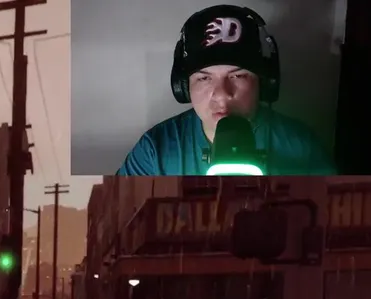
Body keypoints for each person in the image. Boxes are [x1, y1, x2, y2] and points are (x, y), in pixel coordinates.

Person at [117, 5, 335, 176]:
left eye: (238, 76)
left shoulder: (302, 146)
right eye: (204, 78)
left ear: (265, 83)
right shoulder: (154, 151)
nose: (222, 94)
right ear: (183, 87)